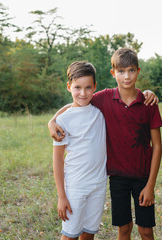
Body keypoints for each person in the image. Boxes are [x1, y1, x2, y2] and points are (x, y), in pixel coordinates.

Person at [49, 48, 162, 240]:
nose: (126, 76)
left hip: (137, 176)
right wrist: (52, 121)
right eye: (121, 71)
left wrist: (151, 184)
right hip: (113, 178)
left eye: (131, 71)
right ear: (113, 73)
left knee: (144, 230)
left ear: (138, 71)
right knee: (122, 228)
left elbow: (157, 146)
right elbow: (78, 102)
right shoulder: (104, 98)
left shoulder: (146, 102)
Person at [53, 61, 107, 240]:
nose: (83, 93)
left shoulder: (100, 112)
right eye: (77, 87)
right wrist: (62, 196)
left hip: (98, 184)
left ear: (95, 87)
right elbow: (58, 161)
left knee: (89, 233)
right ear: (69, 87)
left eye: (88, 88)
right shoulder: (63, 120)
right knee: (70, 235)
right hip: (76, 186)